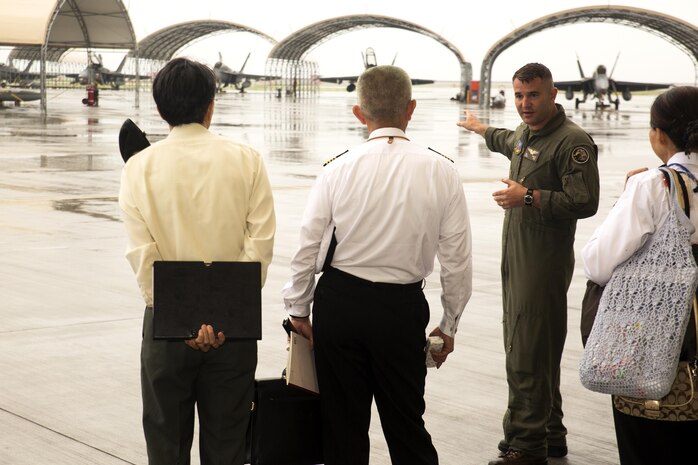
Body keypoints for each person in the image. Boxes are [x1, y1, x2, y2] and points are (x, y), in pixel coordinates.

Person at [282, 65, 472, 465]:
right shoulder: (442, 169)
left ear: (359, 112)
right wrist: (449, 323)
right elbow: (456, 259)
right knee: (407, 425)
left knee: (342, 428)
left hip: (340, 305)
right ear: (412, 108)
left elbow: (307, 246)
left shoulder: (337, 167)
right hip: (400, 311)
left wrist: (299, 309)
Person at [118, 57, 275, 465]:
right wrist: (220, 317)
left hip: (166, 328)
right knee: (228, 448)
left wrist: (185, 321)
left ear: (160, 108)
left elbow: (143, 254)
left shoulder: (138, 168)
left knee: (166, 447)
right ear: (211, 104)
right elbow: (259, 245)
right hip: (233, 329)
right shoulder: (247, 160)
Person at [457, 62, 599, 465]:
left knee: (526, 351)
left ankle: (524, 444)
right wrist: (481, 129)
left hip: (543, 262)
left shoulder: (572, 142)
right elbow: (509, 140)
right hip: (518, 256)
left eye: (533, 95)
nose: (524, 103)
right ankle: (550, 433)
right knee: (537, 348)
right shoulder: (526, 134)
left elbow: (584, 202)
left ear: (553, 94)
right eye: (519, 95)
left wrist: (530, 197)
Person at [582, 85, 698, 465]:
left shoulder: (653, 185)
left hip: (659, 354)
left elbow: (598, 263)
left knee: (649, 446)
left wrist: (624, 198)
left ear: (659, 134)